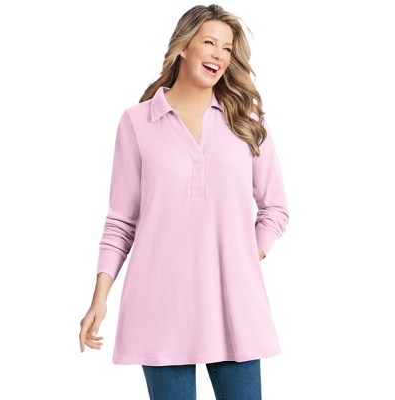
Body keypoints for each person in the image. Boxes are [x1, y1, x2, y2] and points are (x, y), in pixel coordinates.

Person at [79, 4, 289, 399]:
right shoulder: (137, 122)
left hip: (233, 306)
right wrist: (99, 299)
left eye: (227, 48)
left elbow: (275, 208)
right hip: (161, 309)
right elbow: (121, 222)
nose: (218, 55)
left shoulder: (246, 120)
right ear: (183, 46)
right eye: (209, 43)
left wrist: (246, 256)